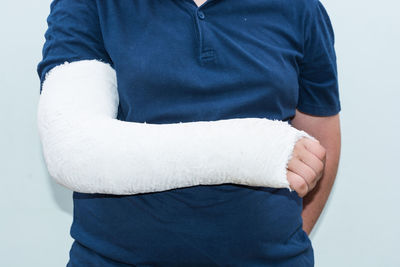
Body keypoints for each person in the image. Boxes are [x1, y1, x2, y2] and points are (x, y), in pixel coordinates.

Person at [36, 0, 341, 266]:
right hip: (114, 259)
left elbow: (319, 138)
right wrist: (257, 150)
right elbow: (74, 147)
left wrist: (284, 242)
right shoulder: (90, 4)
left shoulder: (299, 7)